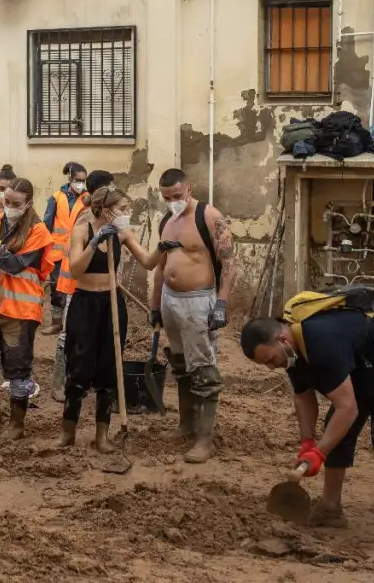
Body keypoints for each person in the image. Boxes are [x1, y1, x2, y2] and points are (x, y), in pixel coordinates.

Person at [240, 304, 374, 544]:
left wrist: (319, 453)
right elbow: (303, 396)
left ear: (283, 340)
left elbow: (348, 409)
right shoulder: (292, 353)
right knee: (336, 428)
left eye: (270, 360)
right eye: (264, 364)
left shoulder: (321, 342)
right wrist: (307, 443)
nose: (271, 367)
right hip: (362, 366)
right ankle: (331, 508)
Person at [58, 186, 174, 451]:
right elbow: (75, 270)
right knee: (78, 366)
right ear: (105, 209)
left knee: (110, 367)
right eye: (122, 208)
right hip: (85, 304)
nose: (126, 213)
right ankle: (68, 431)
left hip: (111, 304)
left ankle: (102, 434)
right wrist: (95, 242)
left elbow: (147, 261)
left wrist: (162, 248)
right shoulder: (81, 231)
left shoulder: (123, 233)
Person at [150, 168, 237, 463]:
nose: (172, 201)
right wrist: (154, 305)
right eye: (166, 197)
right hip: (170, 300)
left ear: (188, 189)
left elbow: (229, 264)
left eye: (176, 195)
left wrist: (221, 304)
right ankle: (186, 424)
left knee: (202, 368)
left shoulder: (209, 217)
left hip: (198, 301)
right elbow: (161, 266)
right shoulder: (166, 221)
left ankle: (205, 439)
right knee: (181, 364)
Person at [0, 178, 54, 440]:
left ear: (28, 204)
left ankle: (16, 424)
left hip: (21, 310)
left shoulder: (38, 231)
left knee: (17, 368)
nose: (10, 207)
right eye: (7, 202)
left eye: (16, 204)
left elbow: (15, 265)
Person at [51, 169, 114, 403]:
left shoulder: (101, 215)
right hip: (75, 284)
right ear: (101, 191)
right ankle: (60, 384)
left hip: (91, 285)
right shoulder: (85, 216)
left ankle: (85, 380)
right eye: (111, 187)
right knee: (68, 336)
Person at [42, 162, 90, 336]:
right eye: (78, 180)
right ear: (70, 178)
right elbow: (46, 225)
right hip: (56, 252)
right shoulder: (56, 198)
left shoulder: (88, 199)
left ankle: (72, 322)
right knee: (56, 288)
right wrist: (43, 249)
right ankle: (56, 323)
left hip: (77, 251)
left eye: (83, 181)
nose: (81, 184)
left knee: (75, 288)